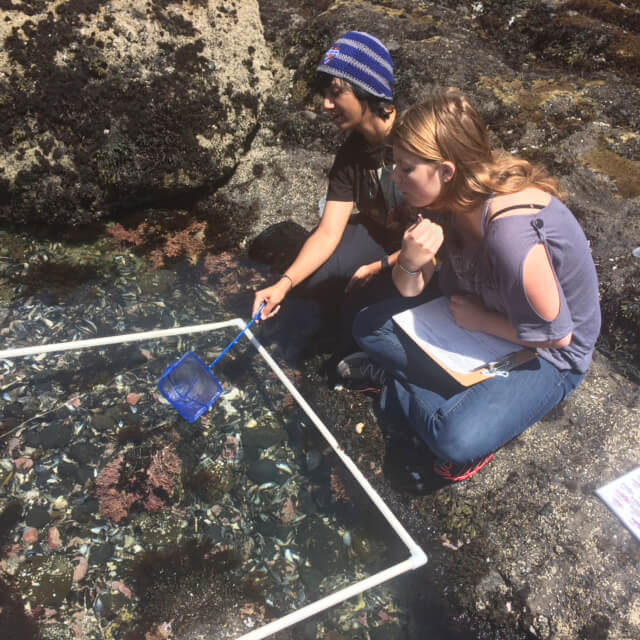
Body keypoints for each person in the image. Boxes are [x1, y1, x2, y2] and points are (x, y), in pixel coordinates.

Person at [340, 87, 601, 489]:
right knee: (369, 325)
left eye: (406, 169)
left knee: (455, 438)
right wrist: (409, 262)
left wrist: (482, 321)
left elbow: (559, 335)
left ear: (446, 171)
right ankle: (438, 391)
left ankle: (401, 387)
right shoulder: (445, 206)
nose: (395, 178)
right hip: (474, 317)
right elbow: (413, 289)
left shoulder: (511, 236)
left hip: (547, 357)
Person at [251, 32, 434, 364]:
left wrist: (380, 267)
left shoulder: (416, 139)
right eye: (325, 94)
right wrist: (284, 283)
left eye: (337, 93)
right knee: (315, 282)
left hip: (425, 252)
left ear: (370, 91)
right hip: (378, 236)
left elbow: (443, 230)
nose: (326, 105)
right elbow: (327, 232)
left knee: (365, 309)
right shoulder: (352, 152)